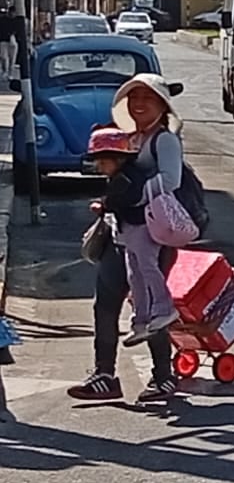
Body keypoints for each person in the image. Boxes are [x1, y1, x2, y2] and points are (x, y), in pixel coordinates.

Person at [65, 75, 187, 405]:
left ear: (163, 105)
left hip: (151, 236)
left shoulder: (164, 140)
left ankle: (164, 377)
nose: (139, 104)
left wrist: (133, 197)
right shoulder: (129, 138)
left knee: (150, 306)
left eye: (148, 97)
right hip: (119, 235)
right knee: (105, 304)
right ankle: (104, 375)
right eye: (134, 98)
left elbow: (171, 181)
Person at [85, 127, 178, 345]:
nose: (100, 167)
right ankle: (141, 320)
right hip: (129, 230)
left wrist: (104, 205)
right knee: (135, 275)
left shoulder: (126, 178)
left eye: (103, 161)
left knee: (147, 269)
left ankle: (164, 308)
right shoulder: (120, 176)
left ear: (117, 159)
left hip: (141, 228)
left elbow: (129, 197)